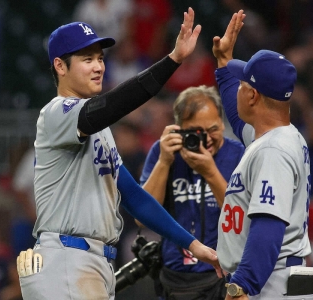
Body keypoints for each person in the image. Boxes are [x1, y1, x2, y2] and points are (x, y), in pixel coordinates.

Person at [17, 8, 221, 300]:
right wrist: (172, 60)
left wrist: (192, 244)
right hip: (65, 260)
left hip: (92, 263)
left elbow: (133, 196)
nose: (99, 66)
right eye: (87, 59)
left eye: (100, 58)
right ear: (60, 66)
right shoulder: (56, 113)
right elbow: (113, 105)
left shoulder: (98, 130)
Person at [212, 11, 313, 299]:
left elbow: (268, 226)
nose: (239, 90)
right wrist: (224, 64)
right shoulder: (279, 135)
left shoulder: (273, 149)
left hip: (270, 283)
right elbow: (238, 119)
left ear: (253, 96)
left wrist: (242, 285)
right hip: (279, 278)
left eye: (243, 84)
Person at [138, 85, 245, 299]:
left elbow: (241, 216)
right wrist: (164, 162)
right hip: (174, 277)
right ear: (179, 128)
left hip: (223, 275)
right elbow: (142, 219)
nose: (207, 139)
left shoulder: (238, 154)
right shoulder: (164, 152)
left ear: (223, 124)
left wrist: (211, 172)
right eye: (197, 132)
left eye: (213, 129)